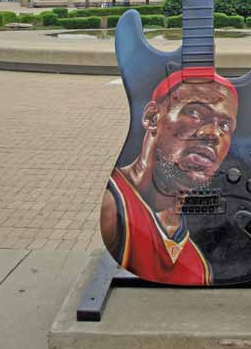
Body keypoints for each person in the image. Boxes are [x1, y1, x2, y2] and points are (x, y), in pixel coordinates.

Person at [100, 68, 238, 285]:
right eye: (195, 113)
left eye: (224, 125)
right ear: (152, 117)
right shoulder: (114, 208)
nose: (213, 133)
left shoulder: (198, 263)